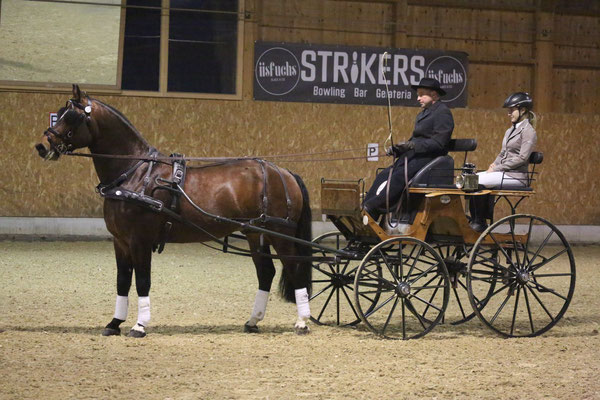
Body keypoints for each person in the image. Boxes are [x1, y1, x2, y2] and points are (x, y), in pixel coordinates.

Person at [363, 77, 454, 220]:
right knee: (384, 174)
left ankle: (375, 207)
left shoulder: (443, 112)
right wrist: (400, 149)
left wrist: (413, 146)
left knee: (399, 177)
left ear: (434, 95)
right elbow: (416, 138)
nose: (418, 98)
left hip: (430, 158)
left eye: (422, 94)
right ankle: (366, 205)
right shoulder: (423, 114)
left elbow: (440, 143)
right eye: (418, 94)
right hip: (415, 155)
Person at [469, 92, 537, 232]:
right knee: (470, 180)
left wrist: (498, 168)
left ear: (522, 110)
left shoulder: (528, 131)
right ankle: (475, 219)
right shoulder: (509, 131)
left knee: (474, 181)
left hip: (516, 176)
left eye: (511, 110)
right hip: (504, 173)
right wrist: (493, 165)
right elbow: (503, 153)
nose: (509, 113)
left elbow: (522, 158)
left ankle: (479, 222)